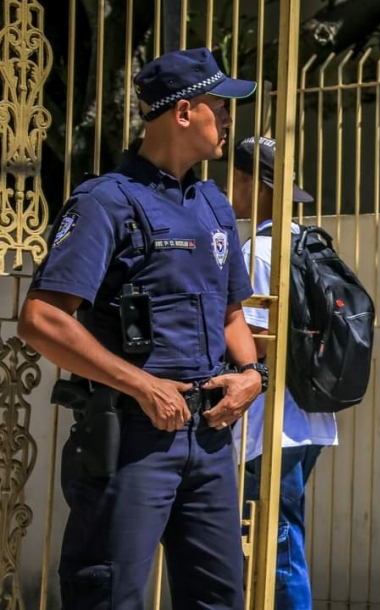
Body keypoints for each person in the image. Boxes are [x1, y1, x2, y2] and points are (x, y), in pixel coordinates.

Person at [17, 48, 268, 609]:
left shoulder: (212, 203)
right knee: (110, 595)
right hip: (129, 438)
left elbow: (232, 313)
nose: (228, 119)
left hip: (206, 438)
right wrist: (142, 384)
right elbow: (42, 318)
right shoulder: (105, 201)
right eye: (218, 106)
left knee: (220, 598)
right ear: (182, 112)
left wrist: (252, 374)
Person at [230, 136, 338, 610]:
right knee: (280, 534)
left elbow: (255, 344)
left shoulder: (258, 252)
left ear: (256, 185)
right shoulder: (309, 243)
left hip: (270, 423)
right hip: (310, 418)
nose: (233, 189)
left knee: (278, 544)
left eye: (238, 179)